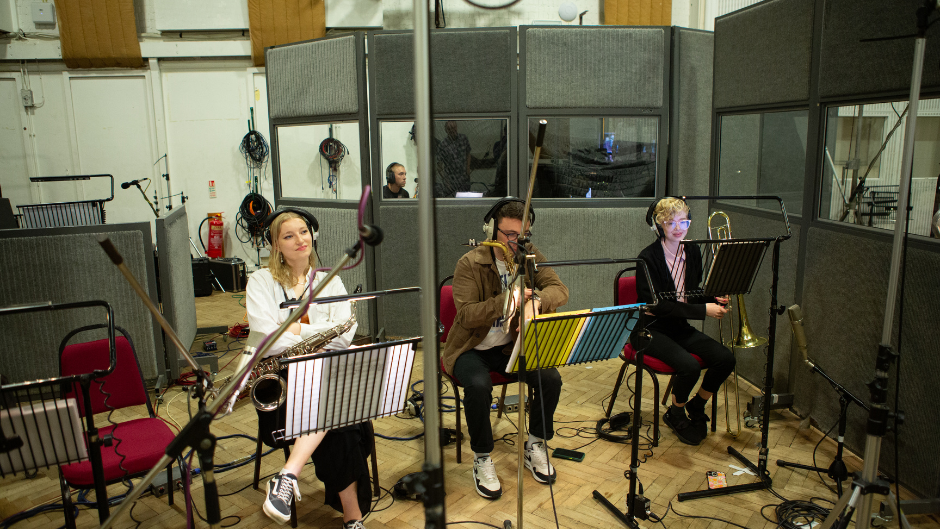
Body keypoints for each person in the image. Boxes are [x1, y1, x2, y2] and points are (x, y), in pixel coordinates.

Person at [241, 208, 371, 528]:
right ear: (275, 245)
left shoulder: (331, 280)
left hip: (326, 373)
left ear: (313, 235)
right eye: (288, 235)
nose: (300, 239)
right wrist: (316, 334)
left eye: (303, 232)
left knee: (340, 421)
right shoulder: (260, 282)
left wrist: (295, 331)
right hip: (281, 385)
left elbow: (344, 336)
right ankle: (353, 519)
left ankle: (287, 477)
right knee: (342, 420)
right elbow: (267, 340)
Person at [442, 198, 569, 500]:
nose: (515, 242)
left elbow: (560, 290)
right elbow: (467, 314)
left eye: (522, 236)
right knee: (477, 385)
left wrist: (537, 299)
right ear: (491, 229)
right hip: (471, 348)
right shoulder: (470, 263)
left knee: (550, 379)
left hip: (510, 348)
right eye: (508, 235)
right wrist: (508, 301)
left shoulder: (530, 256)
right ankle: (482, 456)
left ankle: (535, 443)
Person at [635, 197, 736, 446]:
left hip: (679, 327)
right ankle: (676, 411)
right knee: (689, 367)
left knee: (726, 359)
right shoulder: (647, 258)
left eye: (684, 222)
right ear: (658, 225)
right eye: (671, 223)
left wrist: (714, 297)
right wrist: (703, 310)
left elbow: (691, 292)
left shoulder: (691, 250)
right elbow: (657, 305)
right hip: (651, 329)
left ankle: (697, 403)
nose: (679, 228)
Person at [435, 120, 472, 196]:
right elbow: (439, 167)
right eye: (449, 128)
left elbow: (468, 154)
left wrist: (468, 170)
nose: (452, 130)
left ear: (456, 128)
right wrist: (446, 181)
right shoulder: (443, 145)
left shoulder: (463, 138)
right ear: (446, 130)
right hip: (451, 182)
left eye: (453, 127)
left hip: (464, 180)